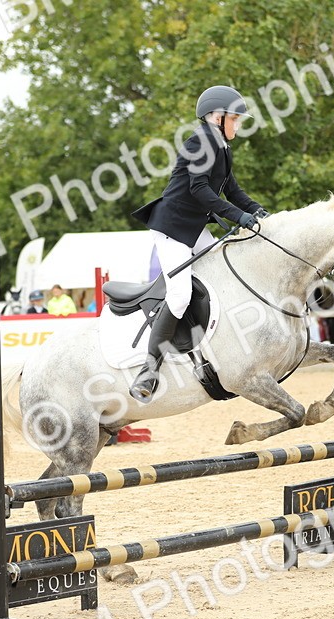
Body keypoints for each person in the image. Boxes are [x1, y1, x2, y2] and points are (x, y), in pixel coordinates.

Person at [129, 84, 268, 402]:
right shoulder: (199, 141)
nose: (239, 124)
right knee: (179, 295)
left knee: (224, 273)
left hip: (192, 228)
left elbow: (232, 190)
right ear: (217, 117)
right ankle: (149, 370)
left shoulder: (222, 146)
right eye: (236, 118)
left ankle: (216, 350)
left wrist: (258, 212)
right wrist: (238, 218)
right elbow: (200, 190)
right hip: (172, 229)